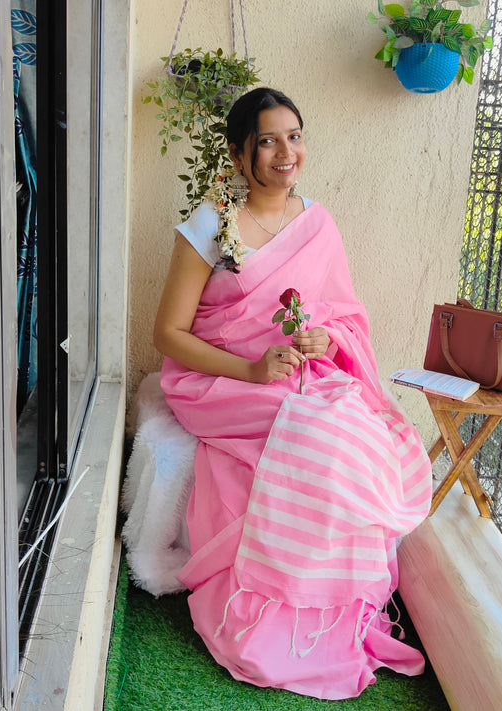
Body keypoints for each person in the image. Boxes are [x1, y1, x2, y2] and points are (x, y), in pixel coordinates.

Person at [153, 87, 432, 700]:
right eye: (269, 140)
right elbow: (167, 335)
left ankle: (335, 612)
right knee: (316, 429)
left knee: (355, 425)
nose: (286, 153)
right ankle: (269, 620)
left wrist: (323, 339)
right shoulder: (210, 223)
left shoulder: (318, 222)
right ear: (238, 152)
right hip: (221, 377)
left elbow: (344, 314)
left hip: (297, 370)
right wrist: (251, 370)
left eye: (295, 136)